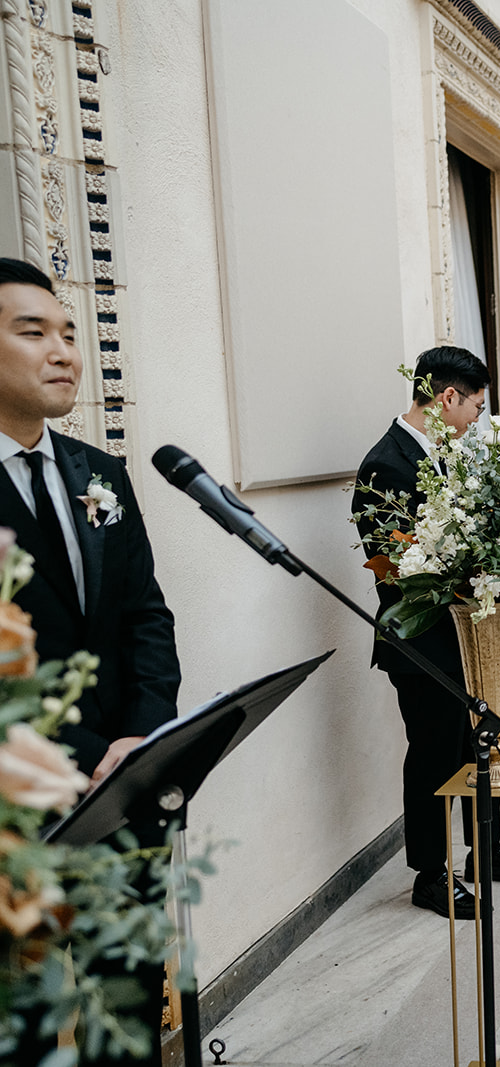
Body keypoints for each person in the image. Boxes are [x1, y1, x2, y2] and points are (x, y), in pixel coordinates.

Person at [0, 257, 180, 1066]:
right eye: (32, 331)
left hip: (120, 787)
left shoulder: (98, 474)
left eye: (70, 332)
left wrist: (141, 736)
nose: (64, 350)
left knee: (130, 997)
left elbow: (145, 617)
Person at [355, 346, 500, 918]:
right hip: (424, 643)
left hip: (472, 636)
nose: (477, 418)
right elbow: (394, 568)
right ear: (446, 398)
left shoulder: (450, 454)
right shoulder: (385, 464)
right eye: (475, 406)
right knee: (435, 755)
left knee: (480, 745)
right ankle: (430, 874)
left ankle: (486, 851)